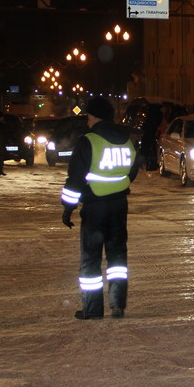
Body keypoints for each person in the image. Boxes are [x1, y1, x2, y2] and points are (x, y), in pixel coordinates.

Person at [60, 97, 143, 320]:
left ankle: (93, 309)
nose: (87, 122)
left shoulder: (88, 141)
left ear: (95, 117)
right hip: (119, 206)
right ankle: (117, 306)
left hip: (95, 206)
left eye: (88, 117)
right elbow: (133, 170)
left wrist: (68, 208)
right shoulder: (127, 140)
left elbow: (75, 179)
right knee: (117, 256)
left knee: (91, 259)